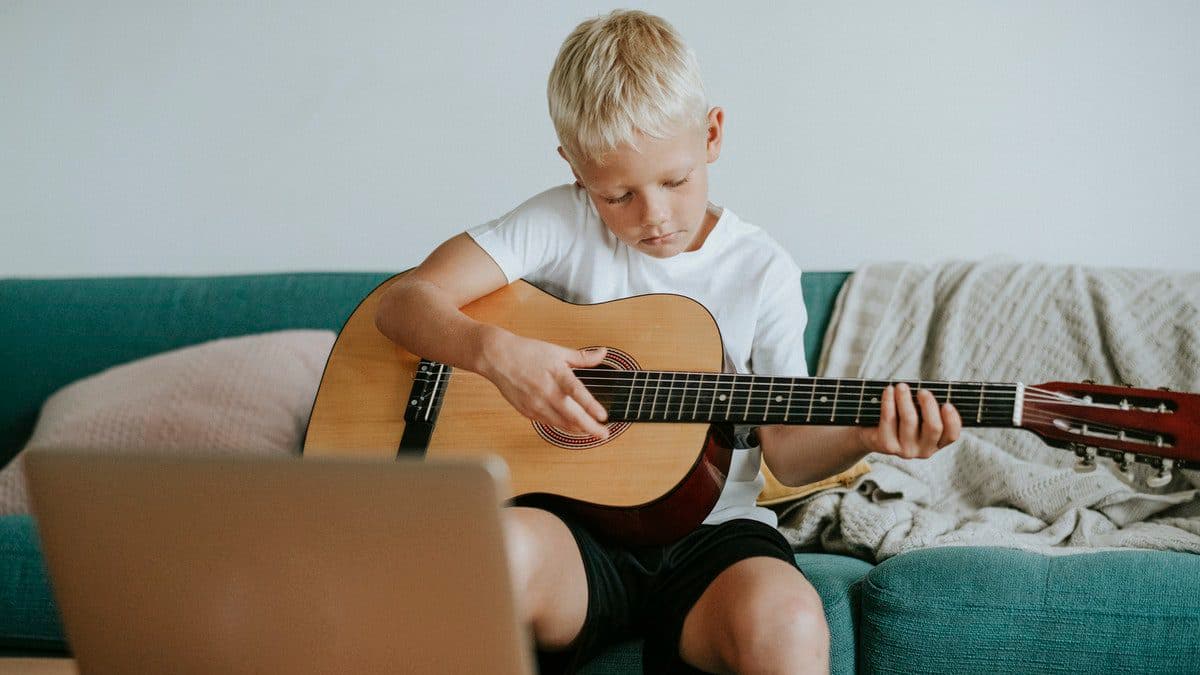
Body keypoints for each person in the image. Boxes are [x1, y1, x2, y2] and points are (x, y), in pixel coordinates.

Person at [374, 9, 962, 674]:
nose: (652, 216)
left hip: (714, 539)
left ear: (712, 134)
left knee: (791, 624)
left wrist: (866, 433)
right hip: (573, 533)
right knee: (488, 559)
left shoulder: (761, 270)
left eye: (674, 182)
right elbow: (402, 303)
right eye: (617, 194)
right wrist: (497, 353)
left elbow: (789, 452)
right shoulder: (558, 223)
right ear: (573, 167)